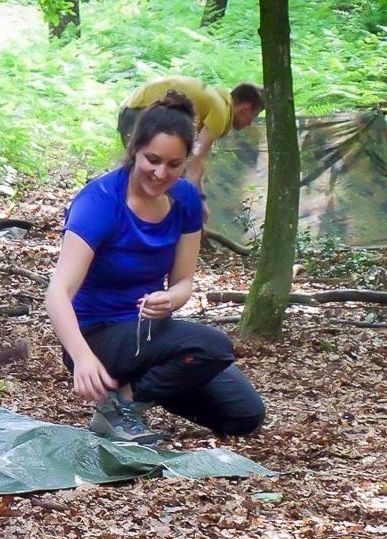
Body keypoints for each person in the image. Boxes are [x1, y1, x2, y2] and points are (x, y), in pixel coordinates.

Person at [46, 91, 265, 445]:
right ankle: (120, 408)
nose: (161, 173)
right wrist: (81, 356)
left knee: (243, 413)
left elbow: (183, 281)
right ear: (134, 149)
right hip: (97, 336)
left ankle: (134, 393)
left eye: (174, 164)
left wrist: (171, 299)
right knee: (214, 345)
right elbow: (57, 293)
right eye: (153, 160)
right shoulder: (100, 201)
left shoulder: (186, 199)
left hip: (150, 336)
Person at [119, 77, 264, 218]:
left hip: (133, 108)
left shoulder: (218, 103)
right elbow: (194, 165)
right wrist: (200, 204)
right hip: (139, 111)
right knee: (150, 176)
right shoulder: (221, 114)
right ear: (245, 109)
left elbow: (194, 160)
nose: (250, 123)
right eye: (254, 115)